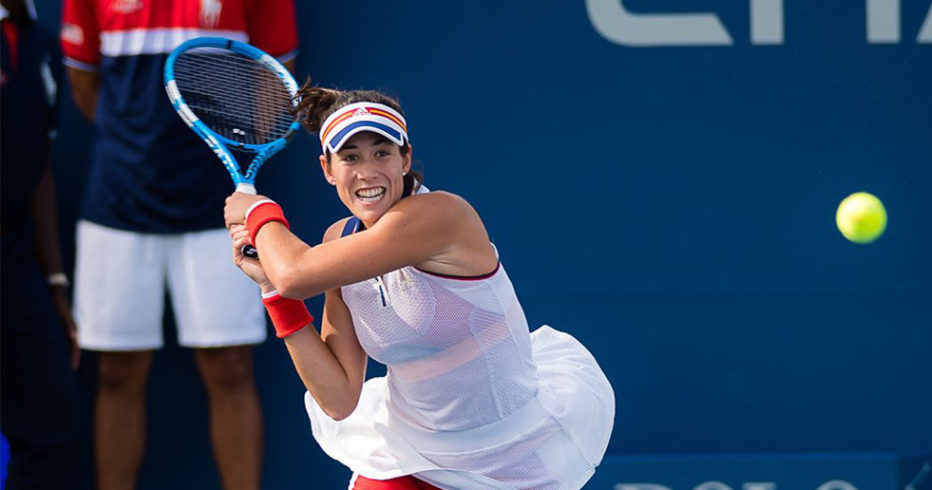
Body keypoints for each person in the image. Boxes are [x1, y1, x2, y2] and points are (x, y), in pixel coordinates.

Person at [223, 86, 616, 489]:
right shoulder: (337, 243)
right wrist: (272, 290)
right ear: (327, 169)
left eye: (382, 153)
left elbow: (296, 274)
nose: (367, 172)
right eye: (350, 157)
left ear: (405, 159)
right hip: (411, 456)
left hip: (510, 456)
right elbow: (339, 398)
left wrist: (258, 212)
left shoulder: (442, 215)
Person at [59, 0, 297, 488]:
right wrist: (134, 152)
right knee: (118, 371)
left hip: (217, 203)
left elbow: (277, 78)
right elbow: (84, 83)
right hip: (117, 203)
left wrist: (231, 150)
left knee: (230, 367)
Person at [1, 0, 83, 488]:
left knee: (53, 417)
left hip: (18, 260)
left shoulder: (43, 44)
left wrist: (54, 282)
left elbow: (40, 170)